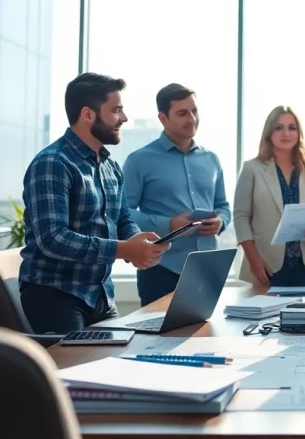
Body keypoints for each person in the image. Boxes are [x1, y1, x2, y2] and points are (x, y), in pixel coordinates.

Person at [19, 73, 166, 335]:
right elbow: (53, 238)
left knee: (116, 365)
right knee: (76, 373)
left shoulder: (111, 167)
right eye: (116, 110)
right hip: (56, 295)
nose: (124, 118)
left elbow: (122, 220)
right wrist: (123, 250)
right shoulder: (52, 164)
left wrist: (138, 242)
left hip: (100, 294)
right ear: (88, 115)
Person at [122, 83, 232, 306]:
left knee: (206, 339)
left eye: (194, 111)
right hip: (161, 270)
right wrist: (169, 224)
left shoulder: (211, 159)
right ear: (163, 118)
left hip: (207, 270)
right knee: (157, 340)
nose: (191, 118)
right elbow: (123, 214)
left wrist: (220, 222)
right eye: (182, 113)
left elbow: (224, 206)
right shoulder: (139, 160)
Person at [233, 106, 305, 287]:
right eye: (279, 127)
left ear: (299, 132)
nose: (286, 133)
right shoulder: (251, 169)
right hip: (265, 266)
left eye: (292, 127)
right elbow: (240, 217)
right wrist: (253, 260)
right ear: (269, 132)